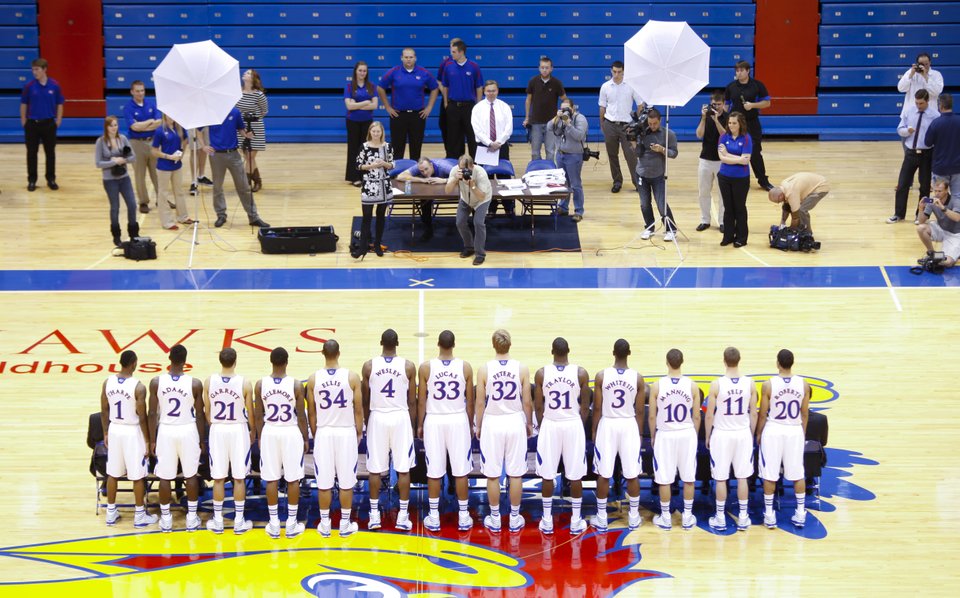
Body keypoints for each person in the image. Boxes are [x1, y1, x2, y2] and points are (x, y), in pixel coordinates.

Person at [475, 330, 533, 533]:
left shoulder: (484, 369)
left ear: (494, 345)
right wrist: (528, 424)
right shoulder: (522, 368)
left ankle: (495, 517)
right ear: (510, 344)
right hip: (515, 420)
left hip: (493, 422)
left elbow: (480, 403)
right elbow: (527, 402)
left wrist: (479, 425)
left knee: (492, 475)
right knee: (515, 474)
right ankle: (515, 518)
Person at [417, 330, 475, 533]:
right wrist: (469, 424)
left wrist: (420, 424)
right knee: (461, 471)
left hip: (435, 420)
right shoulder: (465, 367)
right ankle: (464, 516)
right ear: (454, 344)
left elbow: (422, 400)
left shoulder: (425, 367)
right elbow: (470, 401)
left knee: (434, 471)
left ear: (438, 344)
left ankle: (434, 516)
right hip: (458, 419)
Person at [361, 329, 417, 532]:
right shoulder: (409, 366)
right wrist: (411, 425)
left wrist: (369, 421)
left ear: (380, 343)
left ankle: (374, 515)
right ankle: (402, 515)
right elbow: (412, 401)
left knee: (375, 469)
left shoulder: (368, 366)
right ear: (398, 343)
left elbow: (366, 399)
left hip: (378, 416)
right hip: (400, 416)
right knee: (403, 468)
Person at [534, 337, 590, 536]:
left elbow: (538, 406)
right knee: (575, 475)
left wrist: (543, 424)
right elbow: (585, 406)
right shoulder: (581, 373)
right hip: (572, 423)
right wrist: (578, 423)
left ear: (552, 352)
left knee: (547, 474)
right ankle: (576, 520)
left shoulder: (542, 373)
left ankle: (547, 520)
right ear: (569, 351)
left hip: (550, 424)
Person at [308, 340, 364, 538]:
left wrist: (316, 433)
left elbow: (311, 413)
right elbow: (358, 410)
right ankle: (345, 524)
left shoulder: (314, 379)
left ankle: (325, 524)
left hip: (324, 432)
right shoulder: (352, 377)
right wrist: (359, 432)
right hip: (345, 432)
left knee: (324, 482)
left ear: (323, 353)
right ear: (339, 353)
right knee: (346, 481)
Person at [148, 344, 204, 533]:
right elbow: (201, 414)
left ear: (169, 359)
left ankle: (165, 519)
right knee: (190, 475)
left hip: (166, 430)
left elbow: (151, 413)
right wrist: (202, 440)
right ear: (185, 361)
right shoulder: (194, 383)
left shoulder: (156, 382)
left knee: (165, 476)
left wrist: (151, 439)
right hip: (188, 429)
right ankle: (191, 518)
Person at [590, 339, 645, 532]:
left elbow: (597, 407)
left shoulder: (601, 376)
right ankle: (633, 517)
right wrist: (638, 433)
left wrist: (595, 429)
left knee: (604, 473)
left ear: (613, 353)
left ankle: (602, 517)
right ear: (629, 353)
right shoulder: (637, 378)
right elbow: (639, 411)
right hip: (629, 424)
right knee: (632, 473)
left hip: (609, 424)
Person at [254, 347, 308, 539]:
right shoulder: (296, 385)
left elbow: (258, 416)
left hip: (270, 431)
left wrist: (260, 437)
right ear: (287, 362)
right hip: (290, 431)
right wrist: (305, 437)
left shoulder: (260, 384)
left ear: (271, 361)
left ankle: (274, 523)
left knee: (271, 478)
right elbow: (301, 416)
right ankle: (292, 523)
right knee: (293, 478)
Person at [100, 350, 156, 528]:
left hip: (115, 429)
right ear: (133, 364)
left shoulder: (107, 382)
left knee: (113, 473)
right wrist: (147, 440)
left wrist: (106, 432)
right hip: (132, 432)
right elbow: (142, 417)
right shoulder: (138, 386)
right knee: (137, 475)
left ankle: (110, 512)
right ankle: (139, 516)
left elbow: (104, 410)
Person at [756, 349, 811, 529]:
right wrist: (801, 433)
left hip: (774, 430)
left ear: (778, 363)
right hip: (794, 430)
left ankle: (770, 515)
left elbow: (763, 414)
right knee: (797, 473)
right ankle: (801, 513)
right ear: (792, 363)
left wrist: (758, 433)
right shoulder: (803, 384)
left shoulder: (768, 385)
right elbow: (804, 414)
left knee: (770, 473)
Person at [704, 347, 757, 532]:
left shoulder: (716, 384)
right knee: (742, 477)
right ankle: (743, 517)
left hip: (722, 434)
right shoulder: (750, 383)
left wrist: (708, 435)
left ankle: (720, 517)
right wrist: (751, 433)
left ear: (724, 361)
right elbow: (754, 414)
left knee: (720, 478)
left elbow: (709, 414)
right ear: (739, 360)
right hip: (742, 433)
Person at [203, 347, 255, 535]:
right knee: (239, 477)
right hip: (238, 429)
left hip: (218, 428)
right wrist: (253, 431)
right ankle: (239, 521)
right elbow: (250, 412)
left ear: (220, 360)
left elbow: (207, 412)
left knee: (218, 477)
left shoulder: (209, 381)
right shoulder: (245, 383)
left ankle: (218, 521)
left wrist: (216, 425)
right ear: (235, 361)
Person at [648, 349, 700, 531]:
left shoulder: (657, 386)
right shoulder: (692, 386)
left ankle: (665, 517)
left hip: (665, 434)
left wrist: (653, 436)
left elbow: (652, 416)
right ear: (682, 361)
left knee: (664, 478)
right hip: (687, 433)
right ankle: (687, 516)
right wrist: (694, 435)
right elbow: (697, 417)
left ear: (667, 362)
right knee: (688, 477)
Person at [203, 108, 270, 228]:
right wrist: (203, 145)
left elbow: (240, 128)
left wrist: (246, 134)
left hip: (234, 154)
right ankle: (221, 215)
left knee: (244, 186)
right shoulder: (210, 113)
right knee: (217, 187)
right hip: (216, 155)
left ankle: (253, 217)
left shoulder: (235, 112)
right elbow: (198, 130)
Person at [377, 48, 438, 162]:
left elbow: (434, 88)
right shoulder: (394, 72)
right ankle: (396, 174)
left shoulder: (423, 73)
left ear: (415, 58)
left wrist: (429, 107)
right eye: (406, 57)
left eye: (411, 57)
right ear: (401, 58)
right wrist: (388, 107)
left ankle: (414, 173)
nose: (408, 60)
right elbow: (380, 87)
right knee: (397, 148)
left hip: (418, 116)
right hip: (398, 115)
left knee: (416, 147)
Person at [890, 89, 939, 224]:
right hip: (911, 152)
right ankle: (898, 214)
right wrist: (907, 131)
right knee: (902, 184)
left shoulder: (935, 115)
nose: (918, 106)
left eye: (921, 103)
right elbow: (899, 129)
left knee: (924, 187)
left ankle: (921, 215)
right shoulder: (909, 111)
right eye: (917, 103)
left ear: (927, 101)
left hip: (927, 153)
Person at [725, 61, 772, 190]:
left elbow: (767, 103)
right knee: (734, 151)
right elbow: (726, 105)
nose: (738, 73)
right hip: (736, 125)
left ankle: (763, 181)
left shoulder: (757, 85)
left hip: (752, 123)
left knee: (755, 152)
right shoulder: (731, 87)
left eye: (741, 70)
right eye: (737, 71)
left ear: (748, 71)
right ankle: (736, 179)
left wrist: (752, 105)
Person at [598, 60, 644, 193]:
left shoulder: (631, 86)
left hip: (627, 125)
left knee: (631, 155)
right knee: (612, 155)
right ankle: (617, 181)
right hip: (610, 124)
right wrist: (602, 124)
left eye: (619, 72)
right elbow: (602, 107)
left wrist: (638, 123)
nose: (616, 74)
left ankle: (637, 183)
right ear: (611, 71)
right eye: (614, 71)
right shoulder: (605, 87)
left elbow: (640, 104)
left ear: (623, 72)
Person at [634, 108, 678, 240]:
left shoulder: (668, 134)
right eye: (650, 123)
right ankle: (649, 227)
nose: (652, 126)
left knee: (661, 203)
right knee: (644, 204)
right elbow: (637, 153)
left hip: (658, 175)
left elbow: (674, 153)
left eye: (655, 124)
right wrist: (633, 143)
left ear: (660, 121)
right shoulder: (641, 133)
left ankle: (671, 229)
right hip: (641, 173)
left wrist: (662, 149)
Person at [95, 116, 140, 247]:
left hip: (124, 177)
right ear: (106, 127)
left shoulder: (123, 139)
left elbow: (133, 157)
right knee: (115, 208)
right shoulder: (101, 142)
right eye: (111, 125)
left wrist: (123, 160)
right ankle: (116, 236)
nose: (114, 128)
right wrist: (113, 162)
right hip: (110, 180)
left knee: (132, 205)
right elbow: (98, 163)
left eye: (116, 125)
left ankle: (134, 233)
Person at [20, 58, 64, 192]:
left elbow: (60, 104)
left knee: (50, 153)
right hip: (32, 125)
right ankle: (32, 180)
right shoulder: (29, 86)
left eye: (37, 69)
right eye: (33, 69)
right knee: (31, 153)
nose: (34, 72)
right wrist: (24, 121)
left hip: (49, 124)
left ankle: (51, 179)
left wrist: (58, 120)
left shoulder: (55, 85)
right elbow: (23, 104)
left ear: (45, 69)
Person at [472, 80, 514, 216]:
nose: (491, 93)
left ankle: (509, 207)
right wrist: (490, 143)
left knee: (504, 177)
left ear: (497, 91)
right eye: (488, 91)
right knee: (486, 179)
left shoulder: (505, 107)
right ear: (484, 91)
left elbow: (508, 128)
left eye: (493, 90)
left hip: (501, 146)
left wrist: (498, 142)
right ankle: (490, 208)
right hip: (484, 147)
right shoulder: (477, 108)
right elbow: (477, 129)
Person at [356, 121, 395, 257]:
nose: (376, 134)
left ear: (382, 132)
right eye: (374, 131)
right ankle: (362, 247)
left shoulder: (388, 146)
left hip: (384, 185)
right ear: (370, 132)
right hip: (369, 185)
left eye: (378, 131)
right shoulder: (364, 147)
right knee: (366, 216)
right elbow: (358, 165)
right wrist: (371, 166)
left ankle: (377, 244)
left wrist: (384, 164)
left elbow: (392, 164)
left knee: (380, 216)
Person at [439, 39, 483, 159]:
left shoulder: (474, 66)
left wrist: (478, 106)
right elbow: (445, 86)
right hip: (453, 106)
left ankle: (476, 164)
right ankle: (455, 164)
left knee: (472, 137)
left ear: (461, 52)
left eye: (453, 52)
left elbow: (479, 87)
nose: (451, 54)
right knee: (454, 138)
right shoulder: (448, 66)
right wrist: (446, 103)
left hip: (469, 107)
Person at [445, 154, 492, 266]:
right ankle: (469, 247)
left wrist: (472, 185)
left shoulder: (481, 173)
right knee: (460, 222)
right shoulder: (455, 171)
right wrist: (455, 179)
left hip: (482, 200)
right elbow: (447, 191)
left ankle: (480, 254)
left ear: (472, 166)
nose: (464, 171)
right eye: (461, 168)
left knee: (479, 223)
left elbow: (481, 196)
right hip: (466, 199)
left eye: (467, 169)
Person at [547, 99, 589, 222]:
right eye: (562, 108)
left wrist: (569, 124)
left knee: (575, 184)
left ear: (573, 108)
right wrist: (557, 117)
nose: (565, 111)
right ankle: (563, 207)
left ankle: (578, 211)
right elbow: (550, 127)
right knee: (563, 183)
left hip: (574, 155)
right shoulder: (559, 118)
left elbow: (579, 136)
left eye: (567, 108)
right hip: (560, 155)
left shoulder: (580, 119)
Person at [123, 80, 161, 214]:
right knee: (140, 174)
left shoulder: (151, 104)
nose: (140, 93)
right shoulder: (128, 108)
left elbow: (158, 122)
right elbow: (134, 127)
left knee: (157, 173)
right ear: (132, 92)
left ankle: (161, 199)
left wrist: (143, 125)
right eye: (137, 91)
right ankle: (143, 202)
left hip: (153, 142)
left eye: (142, 90)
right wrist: (149, 122)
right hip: (136, 143)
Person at [395, 156, 454, 241]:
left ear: (431, 165)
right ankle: (428, 229)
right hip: (432, 188)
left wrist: (443, 180)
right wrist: (421, 180)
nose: (425, 173)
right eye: (422, 171)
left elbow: (462, 177)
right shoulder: (420, 167)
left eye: (426, 169)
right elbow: (400, 177)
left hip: (448, 185)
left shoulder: (444, 167)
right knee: (424, 200)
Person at [150, 113, 193, 230]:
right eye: (170, 115)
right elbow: (154, 151)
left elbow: (185, 141)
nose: (172, 117)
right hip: (164, 166)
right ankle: (167, 222)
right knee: (163, 194)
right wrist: (168, 157)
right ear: (165, 116)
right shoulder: (160, 131)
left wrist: (181, 153)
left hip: (177, 165)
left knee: (179, 191)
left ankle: (182, 217)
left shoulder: (180, 128)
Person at [718, 111, 753, 247]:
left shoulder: (746, 138)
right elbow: (722, 158)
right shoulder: (723, 137)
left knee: (739, 207)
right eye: (729, 123)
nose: (731, 125)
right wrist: (737, 158)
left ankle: (741, 238)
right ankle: (728, 236)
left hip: (741, 178)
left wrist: (728, 155)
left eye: (734, 123)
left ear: (740, 124)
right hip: (724, 177)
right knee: (728, 208)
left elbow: (746, 161)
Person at [695, 90, 729, 231]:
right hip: (705, 159)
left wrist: (716, 121)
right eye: (713, 104)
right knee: (703, 192)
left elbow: (725, 136)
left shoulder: (728, 117)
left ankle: (722, 221)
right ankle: (705, 220)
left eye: (719, 104)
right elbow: (699, 135)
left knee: (722, 193)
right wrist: (704, 118)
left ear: (724, 104)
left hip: (722, 161)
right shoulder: (706, 117)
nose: (716, 107)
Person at [524, 56, 567, 161]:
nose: (544, 70)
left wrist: (564, 115)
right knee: (535, 153)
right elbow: (528, 100)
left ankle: (550, 175)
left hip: (552, 123)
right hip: (535, 122)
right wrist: (527, 118)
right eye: (542, 67)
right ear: (539, 68)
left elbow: (565, 100)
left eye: (547, 67)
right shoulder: (533, 81)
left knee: (550, 152)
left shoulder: (557, 83)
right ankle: (537, 174)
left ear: (551, 69)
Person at [344, 61, 379, 187]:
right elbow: (349, 106)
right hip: (352, 121)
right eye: (360, 70)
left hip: (367, 122)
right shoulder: (349, 86)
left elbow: (374, 105)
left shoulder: (372, 86)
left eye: (364, 71)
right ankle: (354, 177)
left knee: (365, 148)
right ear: (355, 71)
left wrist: (357, 104)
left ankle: (365, 175)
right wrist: (366, 102)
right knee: (353, 148)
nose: (362, 73)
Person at [236, 69, 269, 192]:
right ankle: (258, 181)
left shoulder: (258, 95)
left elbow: (264, 111)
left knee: (250, 156)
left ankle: (246, 182)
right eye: (245, 72)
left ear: (253, 78)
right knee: (248, 157)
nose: (245, 74)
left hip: (255, 127)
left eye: (248, 73)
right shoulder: (237, 92)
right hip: (241, 127)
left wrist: (253, 117)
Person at [925, 93, 960, 205]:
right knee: (957, 196)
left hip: (940, 167)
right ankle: (956, 219)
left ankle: (942, 221)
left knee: (939, 196)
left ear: (940, 105)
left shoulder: (936, 123)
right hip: (957, 166)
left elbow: (927, 143)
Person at [917, 180, 960, 268]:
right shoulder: (932, 201)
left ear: (946, 190)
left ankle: (939, 258)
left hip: (955, 235)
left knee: (948, 262)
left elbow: (957, 218)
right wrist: (920, 208)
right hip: (941, 229)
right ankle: (932, 254)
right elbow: (921, 221)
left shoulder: (955, 200)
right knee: (921, 228)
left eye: (939, 191)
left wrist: (942, 208)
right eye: (935, 191)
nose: (936, 193)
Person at [898, 52, 944, 118]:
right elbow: (901, 88)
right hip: (911, 113)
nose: (924, 66)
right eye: (922, 64)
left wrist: (926, 77)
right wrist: (910, 75)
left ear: (930, 63)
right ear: (917, 64)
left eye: (926, 64)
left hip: (930, 114)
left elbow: (936, 92)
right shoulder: (910, 72)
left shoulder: (936, 75)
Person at [187, 127, 213, 196]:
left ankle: (201, 177)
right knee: (194, 150)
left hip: (206, 121)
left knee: (205, 147)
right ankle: (194, 181)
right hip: (194, 122)